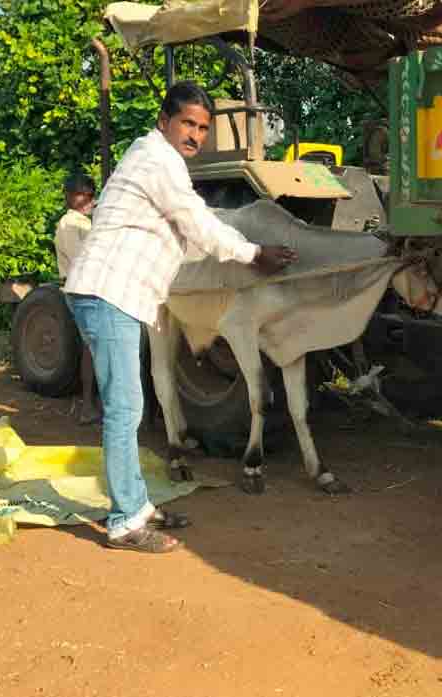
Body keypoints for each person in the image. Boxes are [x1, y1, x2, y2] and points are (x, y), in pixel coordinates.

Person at [64, 80, 297, 554]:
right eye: (187, 123)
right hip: (109, 293)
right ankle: (124, 523)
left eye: (203, 128)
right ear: (163, 121)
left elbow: (190, 236)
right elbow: (196, 222)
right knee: (126, 409)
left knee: (128, 407)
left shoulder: (161, 162)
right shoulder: (157, 160)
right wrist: (253, 253)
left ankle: (138, 506)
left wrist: (231, 254)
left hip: (119, 296)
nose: (195, 135)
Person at [54, 172, 101, 425]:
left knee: (92, 348)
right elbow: (81, 259)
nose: (89, 199)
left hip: (90, 288)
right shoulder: (68, 224)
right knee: (95, 348)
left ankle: (91, 405)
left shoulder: (85, 222)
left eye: (91, 194)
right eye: (85, 194)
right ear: (71, 197)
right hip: (82, 290)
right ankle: (88, 406)